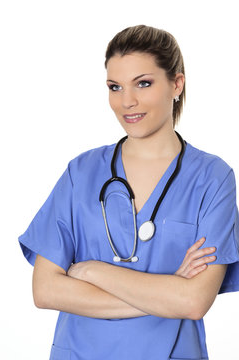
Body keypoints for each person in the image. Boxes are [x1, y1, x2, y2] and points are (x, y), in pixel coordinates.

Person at [18, 25, 239, 360]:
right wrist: (167, 292)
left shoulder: (212, 178)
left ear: (176, 84)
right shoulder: (81, 173)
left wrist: (93, 271)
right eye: (115, 87)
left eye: (143, 83)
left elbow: (193, 302)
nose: (126, 102)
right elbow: (45, 290)